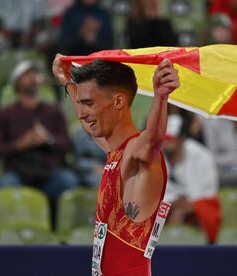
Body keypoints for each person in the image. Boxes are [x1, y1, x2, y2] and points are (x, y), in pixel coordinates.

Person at [52, 53, 179, 275]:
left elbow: (152, 141)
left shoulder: (138, 152)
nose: (81, 114)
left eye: (89, 103)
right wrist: (67, 81)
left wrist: (161, 97)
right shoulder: (116, 153)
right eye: (81, 104)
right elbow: (90, 128)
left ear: (119, 101)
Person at [0, 60, 78, 219]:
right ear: (16, 82)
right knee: (4, 187)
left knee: (69, 182)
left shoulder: (53, 111)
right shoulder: (5, 114)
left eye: (35, 74)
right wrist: (21, 144)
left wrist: (48, 139)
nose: (32, 78)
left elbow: (69, 146)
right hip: (18, 172)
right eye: (26, 75)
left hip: (49, 172)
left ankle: (60, 237)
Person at [163, 114, 222, 244]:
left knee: (205, 210)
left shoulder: (202, 156)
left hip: (197, 204)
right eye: (164, 138)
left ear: (182, 139)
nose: (165, 142)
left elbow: (205, 193)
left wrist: (183, 207)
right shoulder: (155, 154)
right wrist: (174, 205)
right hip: (169, 205)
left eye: (170, 139)